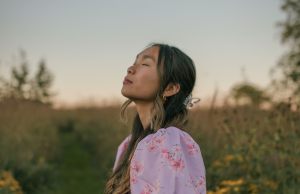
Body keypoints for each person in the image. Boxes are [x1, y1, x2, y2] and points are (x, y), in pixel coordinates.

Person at [104, 43, 206, 194]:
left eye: (145, 64)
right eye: (134, 63)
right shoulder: (129, 143)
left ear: (170, 88)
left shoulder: (171, 142)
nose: (130, 69)